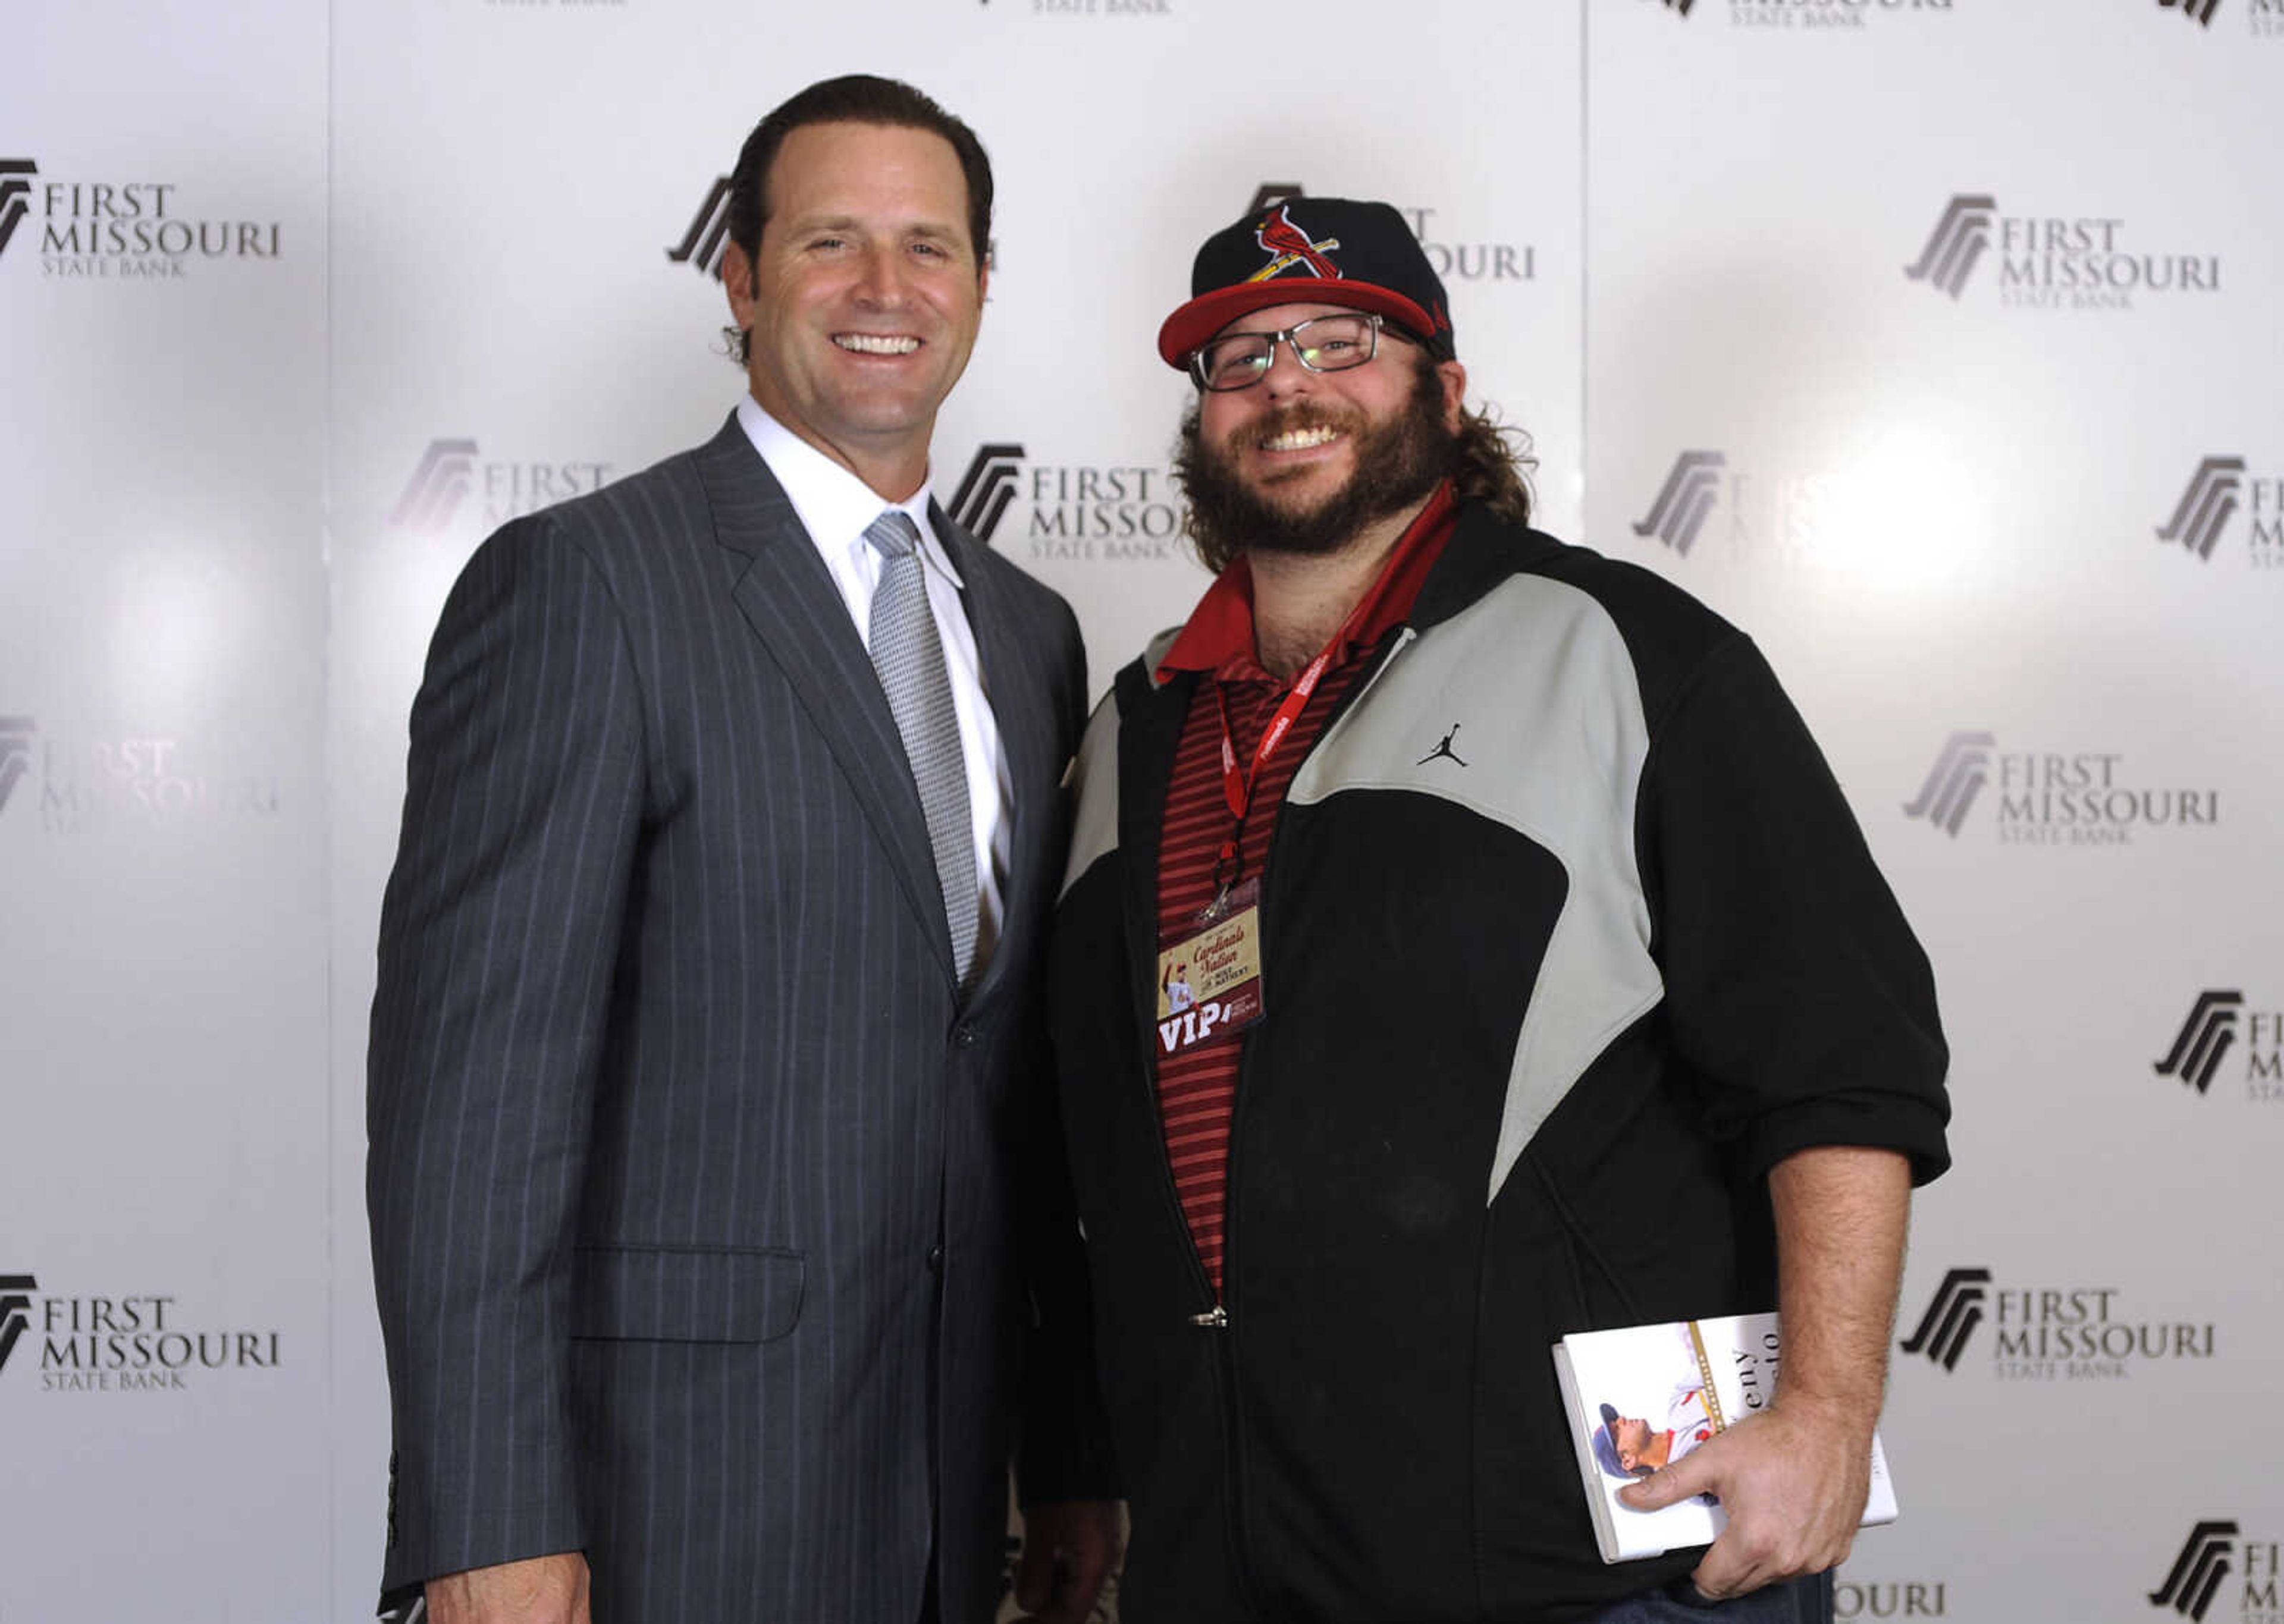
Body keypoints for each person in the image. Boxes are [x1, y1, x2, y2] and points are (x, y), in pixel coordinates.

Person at [1046, 196, 1951, 1623]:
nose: (1288, 382)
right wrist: (1081, 1463)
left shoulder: (1630, 653)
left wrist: (1829, 1418)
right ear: (1204, 414)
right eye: (1241, 354)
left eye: (1343, 340)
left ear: (1445, 391)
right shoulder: (1133, 728)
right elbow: (1078, 1159)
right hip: (1226, 1564)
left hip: (1590, 1571)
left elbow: (1844, 1066)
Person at [366, 76, 1118, 1624]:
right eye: (831, 240)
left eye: (929, 246)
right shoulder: (586, 587)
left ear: (981, 285)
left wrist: (1065, 1455)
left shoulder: (1032, 633)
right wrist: (489, 1519)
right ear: (741, 275)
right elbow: (473, 1107)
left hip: (946, 1485)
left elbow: (1013, 1091)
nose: (885, 290)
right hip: (665, 1497)